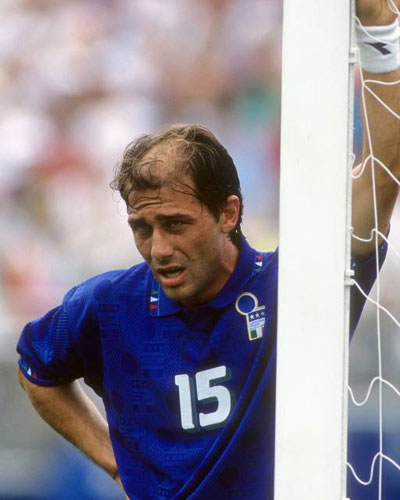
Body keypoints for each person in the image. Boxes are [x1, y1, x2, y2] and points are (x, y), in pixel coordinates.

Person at [17, 1, 400, 499]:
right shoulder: (107, 305)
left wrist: (381, 30)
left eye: (176, 224)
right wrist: (115, 463)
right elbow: (36, 369)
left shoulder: (292, 286)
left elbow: (380, 179)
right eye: (142, 227)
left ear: (228, 213)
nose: (158, 248)